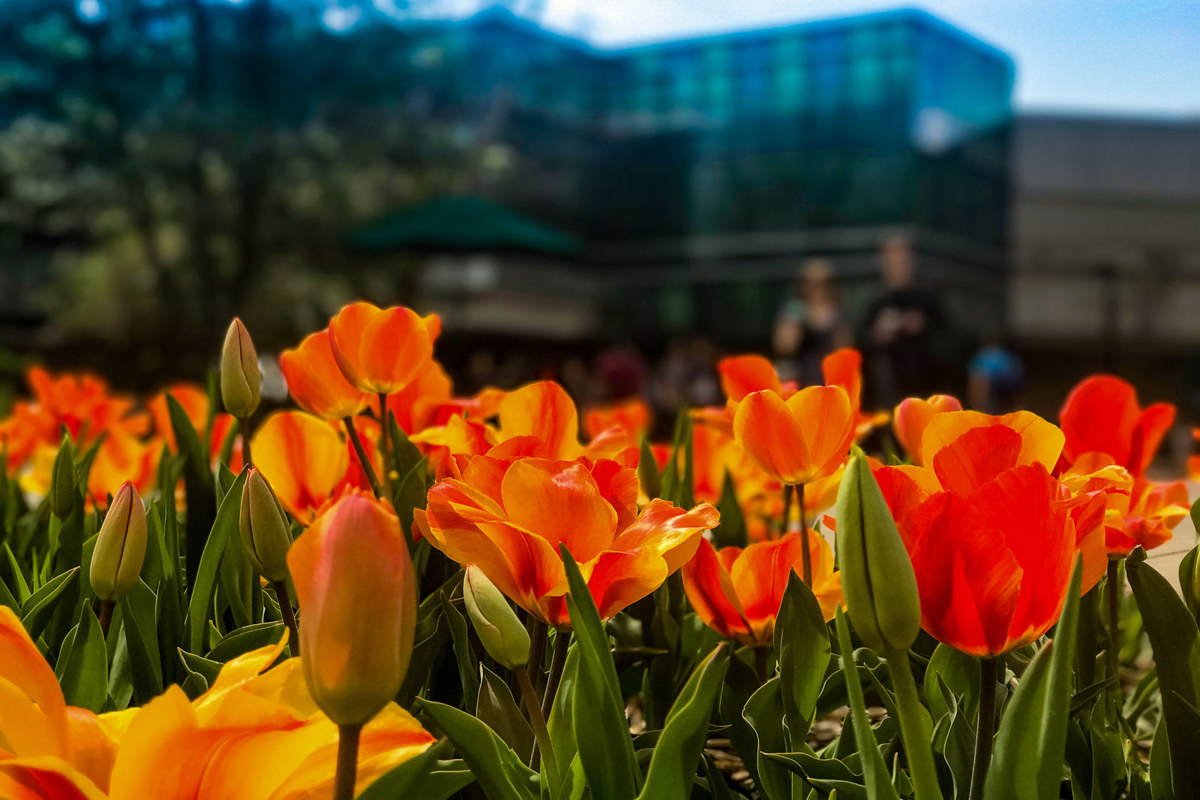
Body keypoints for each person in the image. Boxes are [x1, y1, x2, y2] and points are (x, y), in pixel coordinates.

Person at [863, 235, 946, 406]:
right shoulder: (875, 299)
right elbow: (860, 339)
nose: (898, 266)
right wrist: (878, 334)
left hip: (925, 380)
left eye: (903, 261)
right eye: (892, 261)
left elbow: (949, 335)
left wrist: (923, 325)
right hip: (888, 384)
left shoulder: (928, 295)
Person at [773, 259, 852, 386]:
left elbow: (845, 351)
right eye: (811, 283)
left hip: (829, 381)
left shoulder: (838, 313)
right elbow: (784, 346)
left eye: (824, 283)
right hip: (799, 379)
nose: (818, 289)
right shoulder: (794, 309)